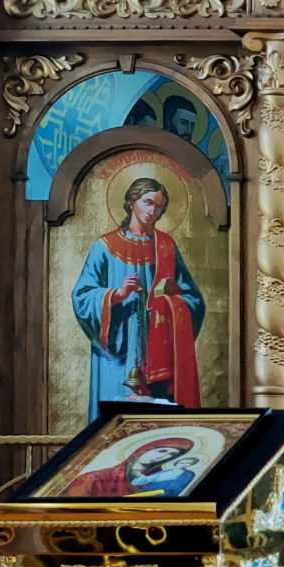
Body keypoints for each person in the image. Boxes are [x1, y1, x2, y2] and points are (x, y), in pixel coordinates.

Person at [70, 178, 206, 418]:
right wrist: (117, 294)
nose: (153, 211)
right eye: (148, 202)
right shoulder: (105, 247)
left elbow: (194, 300)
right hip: (117, 350)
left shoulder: (166, 246)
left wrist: (172, 301)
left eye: (159, 206)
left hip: (158, 348)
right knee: (114, 419)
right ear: (132, 202)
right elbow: (81, 296)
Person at [63, 436, 201, 498]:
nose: (163, 456)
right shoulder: (94, 478)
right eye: (162, 451)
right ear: (144, 450)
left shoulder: (162, 477)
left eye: (171, 455)